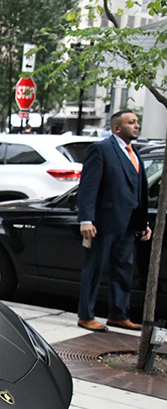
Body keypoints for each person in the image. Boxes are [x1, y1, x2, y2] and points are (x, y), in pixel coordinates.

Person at [77, 110, 152, 332]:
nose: (136, 126)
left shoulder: (134, 153)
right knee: (95, 268)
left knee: (123, 269)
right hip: (104, 222)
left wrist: (142, 222)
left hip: (128, 224)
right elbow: (88, 187)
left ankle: (119, 314)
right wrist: (86, 219)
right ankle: (85, 315)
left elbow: (137, 191)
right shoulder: (101, 150)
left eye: (137, 122)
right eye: (131, 123)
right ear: (117, 128)